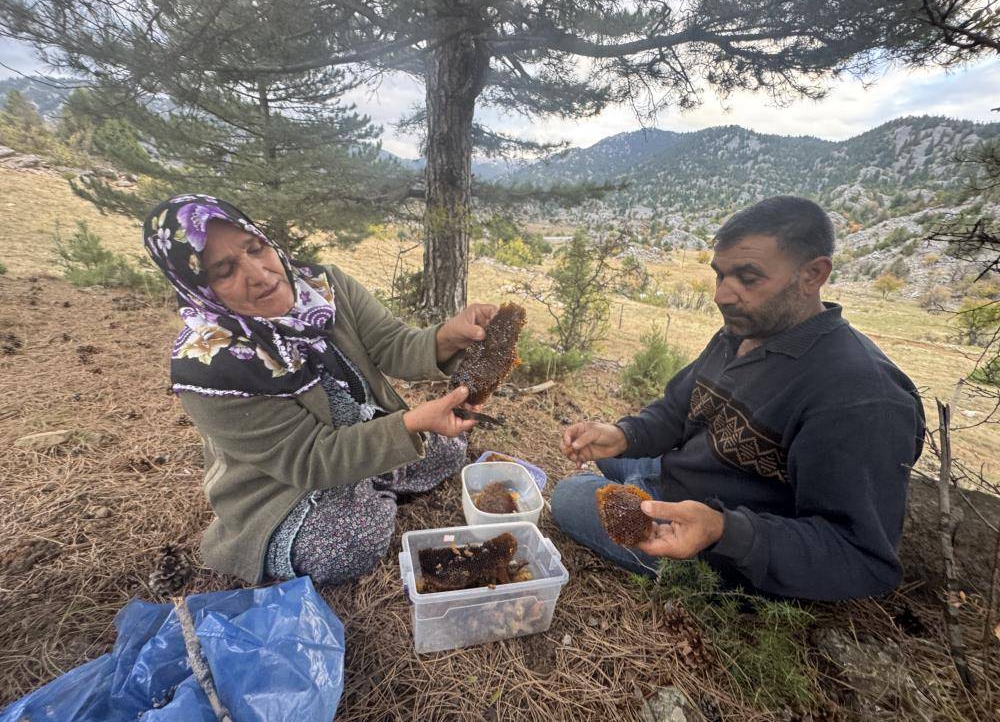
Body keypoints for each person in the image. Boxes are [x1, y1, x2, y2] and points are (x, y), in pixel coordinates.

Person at [552, 196, 925, 601]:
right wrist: (625, 434)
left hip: (711, 540)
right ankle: (638, 480)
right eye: (720, 275)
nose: (722, 296)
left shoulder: (861, 396)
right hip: (681, 477)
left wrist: (722, 530)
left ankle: (640, 493)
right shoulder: (744, 330)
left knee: (568, 494)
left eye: (748, 278)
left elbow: (861, 557)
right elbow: (677, 409)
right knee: (610, 453)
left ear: (813, 275)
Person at [143, 194, 496, 585]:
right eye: (225, 270)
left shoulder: (325, 287)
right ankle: (363, 489)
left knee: (449, 448)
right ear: (196, 285)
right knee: (352, 542)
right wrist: (410, 425)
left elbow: (392, 343)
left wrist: (448, 336)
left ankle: (371, 479)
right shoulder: (210, 366)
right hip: (286, 489)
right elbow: (309, 459)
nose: (259, 274)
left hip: (361, 433)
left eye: (256, 248)